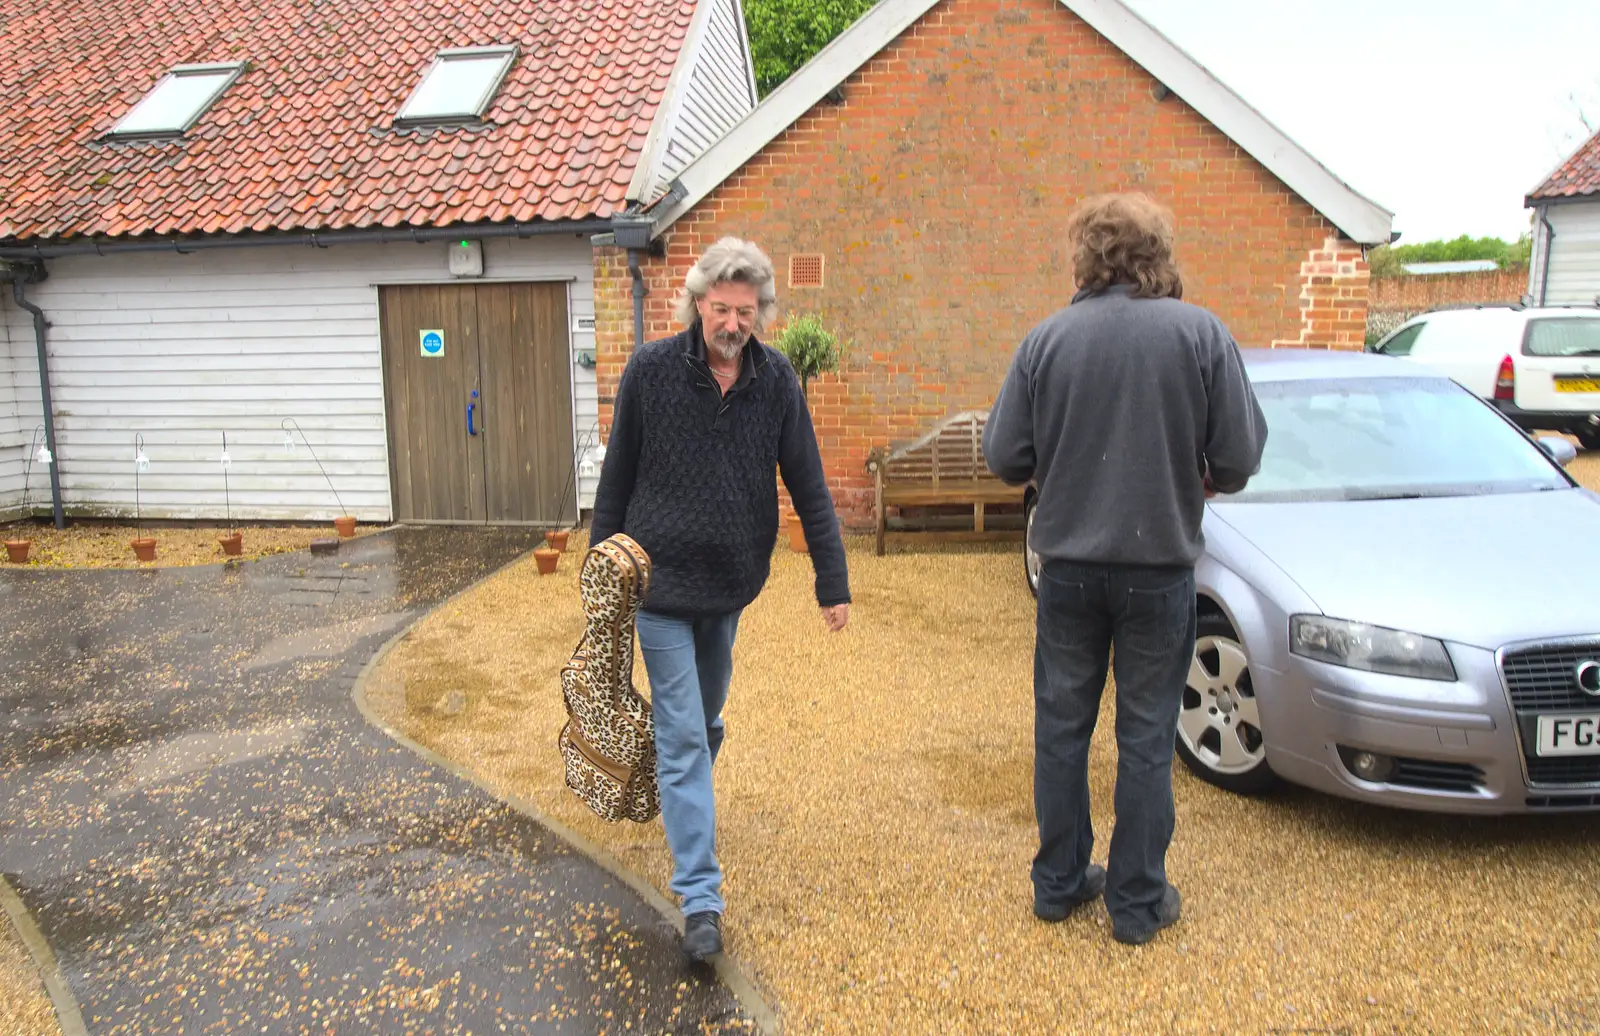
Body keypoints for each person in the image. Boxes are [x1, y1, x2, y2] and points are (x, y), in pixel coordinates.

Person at [982, 193, 1267, 946]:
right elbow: (1239, 458)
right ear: (1157, 255)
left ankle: (1059, 883)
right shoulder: (1200, 334)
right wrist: (1197, 469)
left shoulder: (1047, 340)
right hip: (1159, 569)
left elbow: (1004, 457)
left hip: (1069, 571)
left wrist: (1060, 458)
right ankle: (1137, 903)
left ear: (1085, 256)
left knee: (1061, 730)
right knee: (1146, 737)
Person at [589, 236, 852, 962]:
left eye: (745, 310)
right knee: (680, 731)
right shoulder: (649, 372)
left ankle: (686, 797)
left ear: (759, 312)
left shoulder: (776, 383)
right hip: (659, 583)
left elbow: (809, 485)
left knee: (703, 719)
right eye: (720, 307)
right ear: (698, 302)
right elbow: (617, 479)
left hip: (731, 583)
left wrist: (832, 581)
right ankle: (700, 896)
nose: (732, 322)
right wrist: (599, 571)